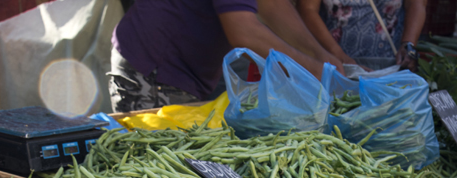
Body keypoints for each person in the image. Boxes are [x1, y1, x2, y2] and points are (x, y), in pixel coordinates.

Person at [110, 0, 345, 113]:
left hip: (181, 70)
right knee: (159, 177)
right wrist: (309, 67)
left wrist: (322, 54)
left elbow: (272, 4)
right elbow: (243, 30)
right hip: (154, 70)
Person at [297, 0, 427, 71]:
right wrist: (338, 55)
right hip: (336, 64)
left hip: (391, 63)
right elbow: (307, 9)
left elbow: (417, 3)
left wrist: (408, 44)